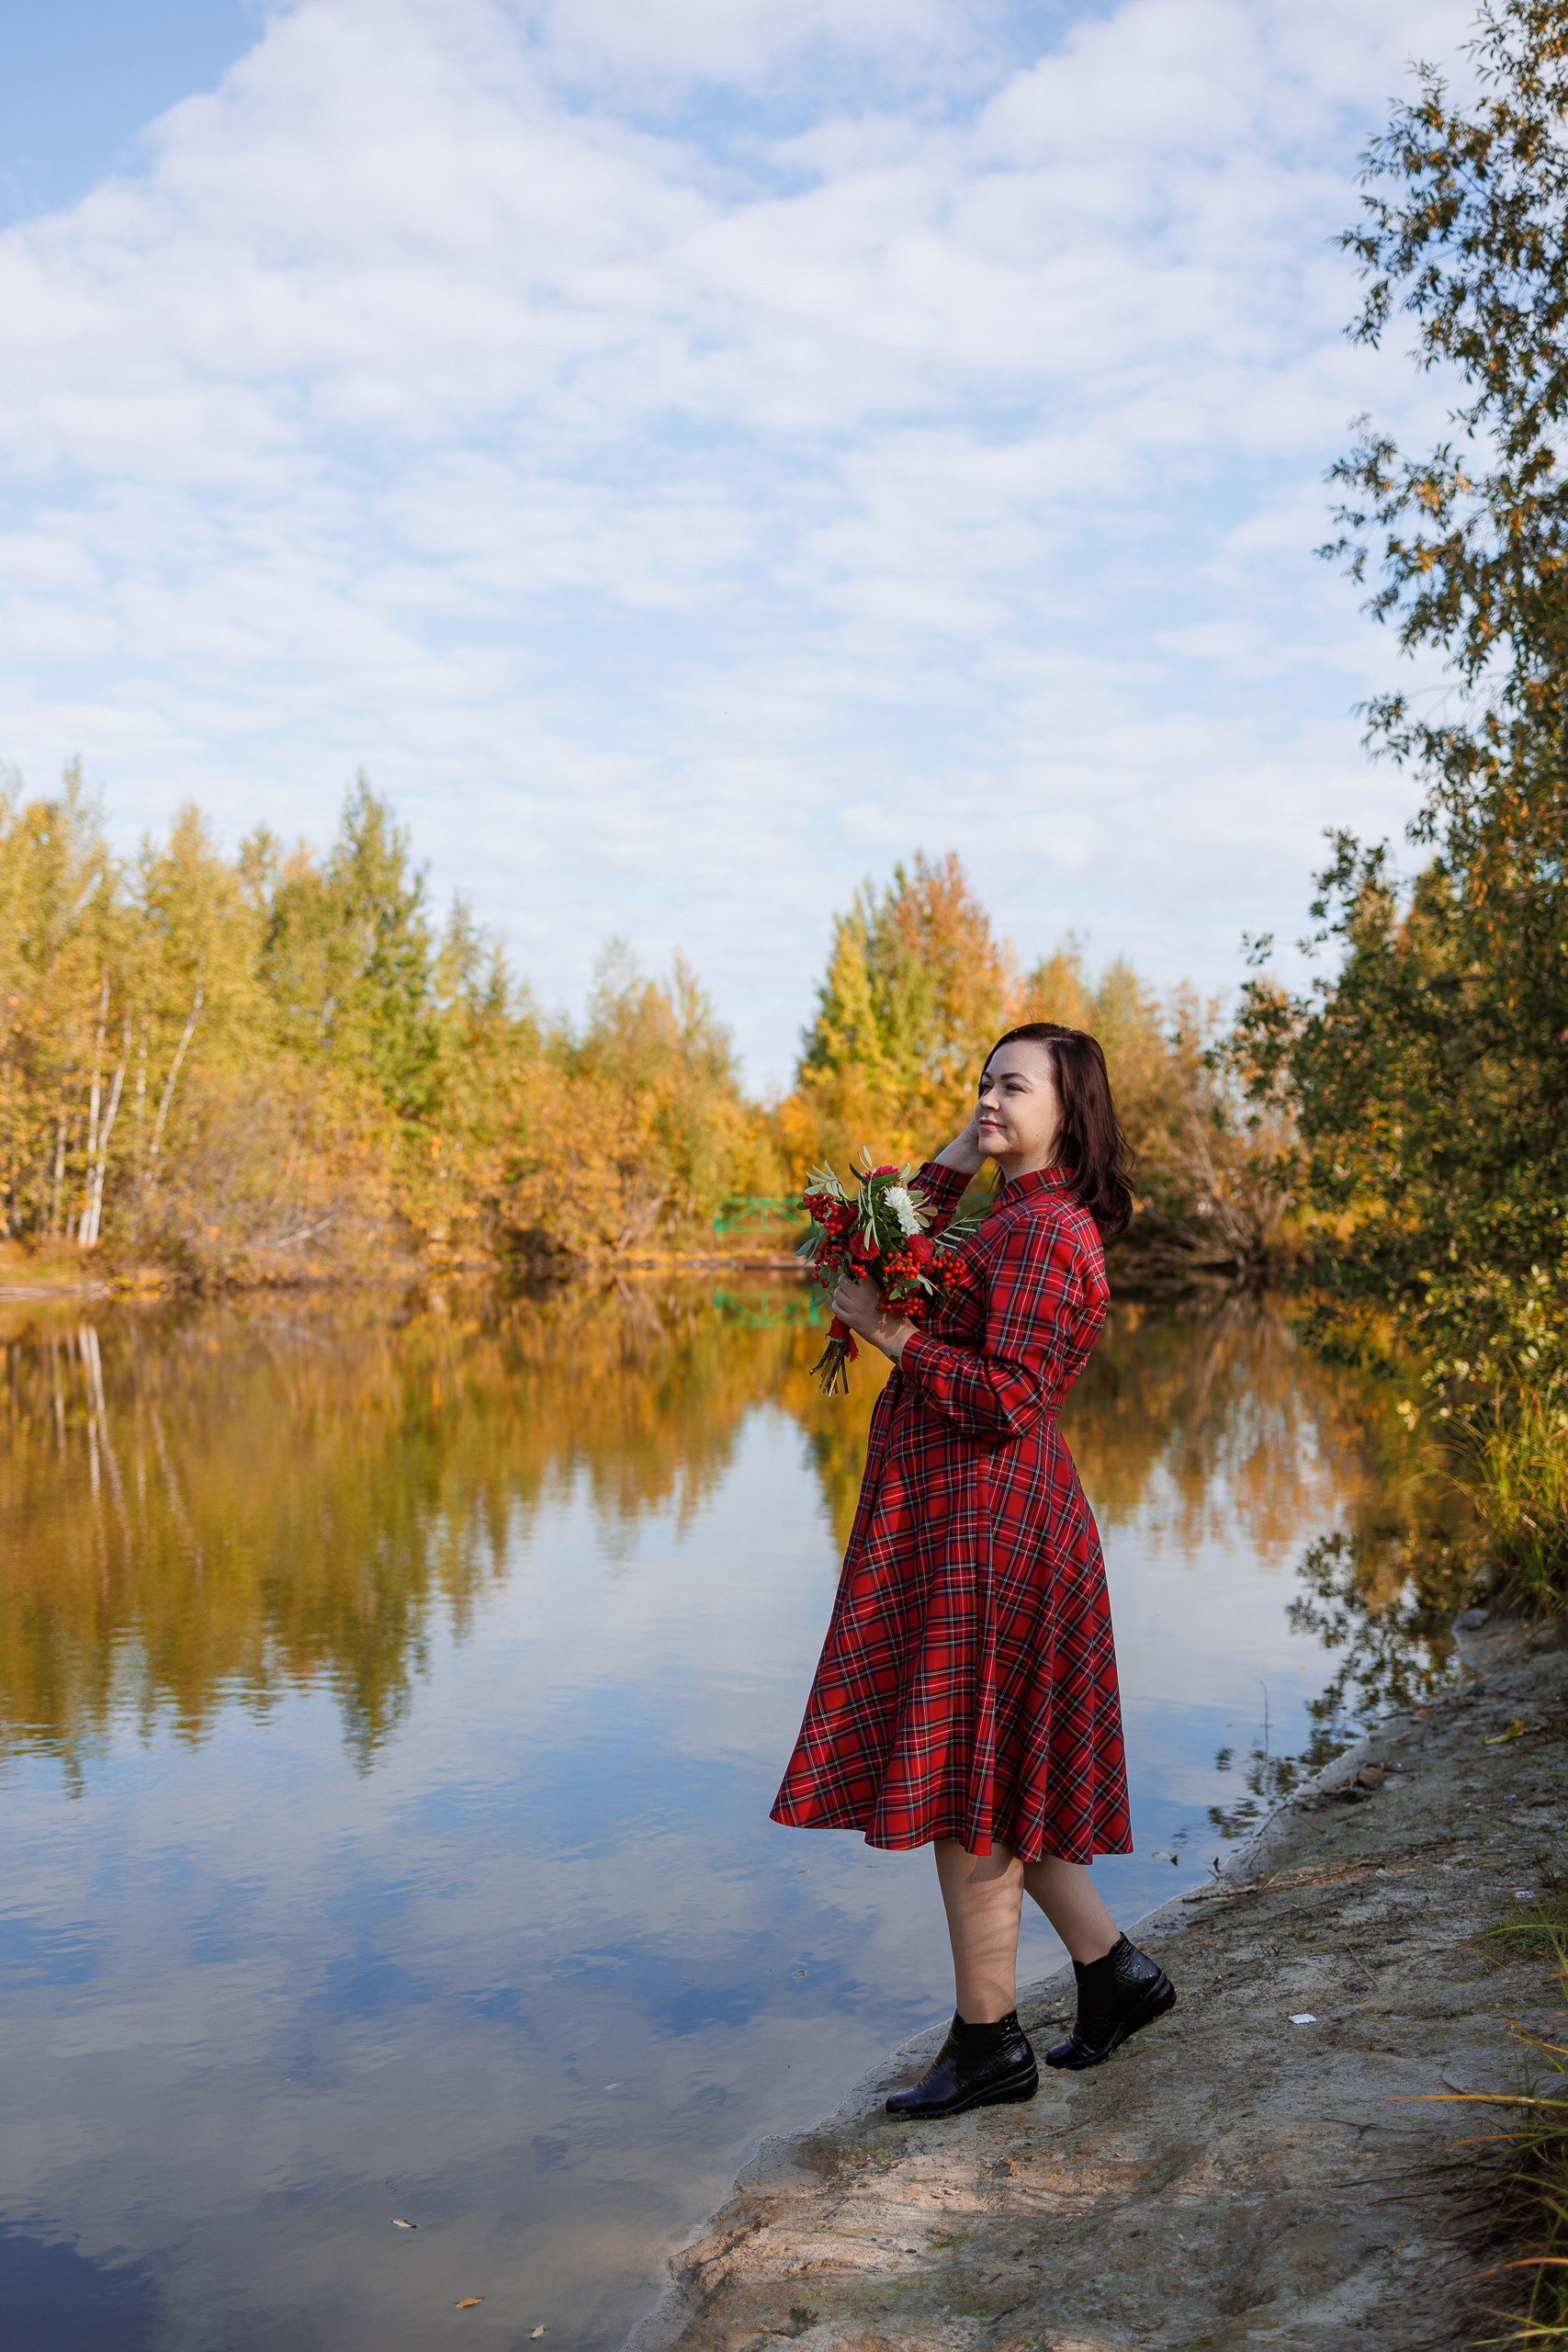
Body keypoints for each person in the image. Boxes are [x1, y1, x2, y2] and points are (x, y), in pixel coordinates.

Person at [771, 1022, 1174, 2119]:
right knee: (987, 1773)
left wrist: (892, 1336)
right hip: (968, 1522)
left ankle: (990, 2042)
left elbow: (1007, 1399)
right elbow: (876, 1239)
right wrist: (977, 1133)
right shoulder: (1015, 1211)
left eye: (1013, 1085)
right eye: (981, 1081)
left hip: (997, 1530)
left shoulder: (1050, 1238)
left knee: (970, 1786)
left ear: (1070, 1109)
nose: (989, 1096)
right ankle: (1113, 1975)